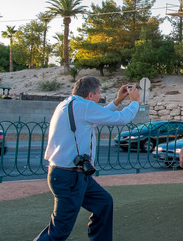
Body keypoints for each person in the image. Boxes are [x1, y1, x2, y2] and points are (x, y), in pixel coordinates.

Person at [35, 76, 141, 241]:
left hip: (70, 174)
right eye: (99, 93)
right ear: (90, 95)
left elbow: (99, 115)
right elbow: (122, 119)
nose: (100, 97)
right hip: (70, 177)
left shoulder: (68, 104)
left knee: (103, 203)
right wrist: (134, 102)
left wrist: (118, 100)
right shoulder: (83, 107)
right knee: (58, 231)